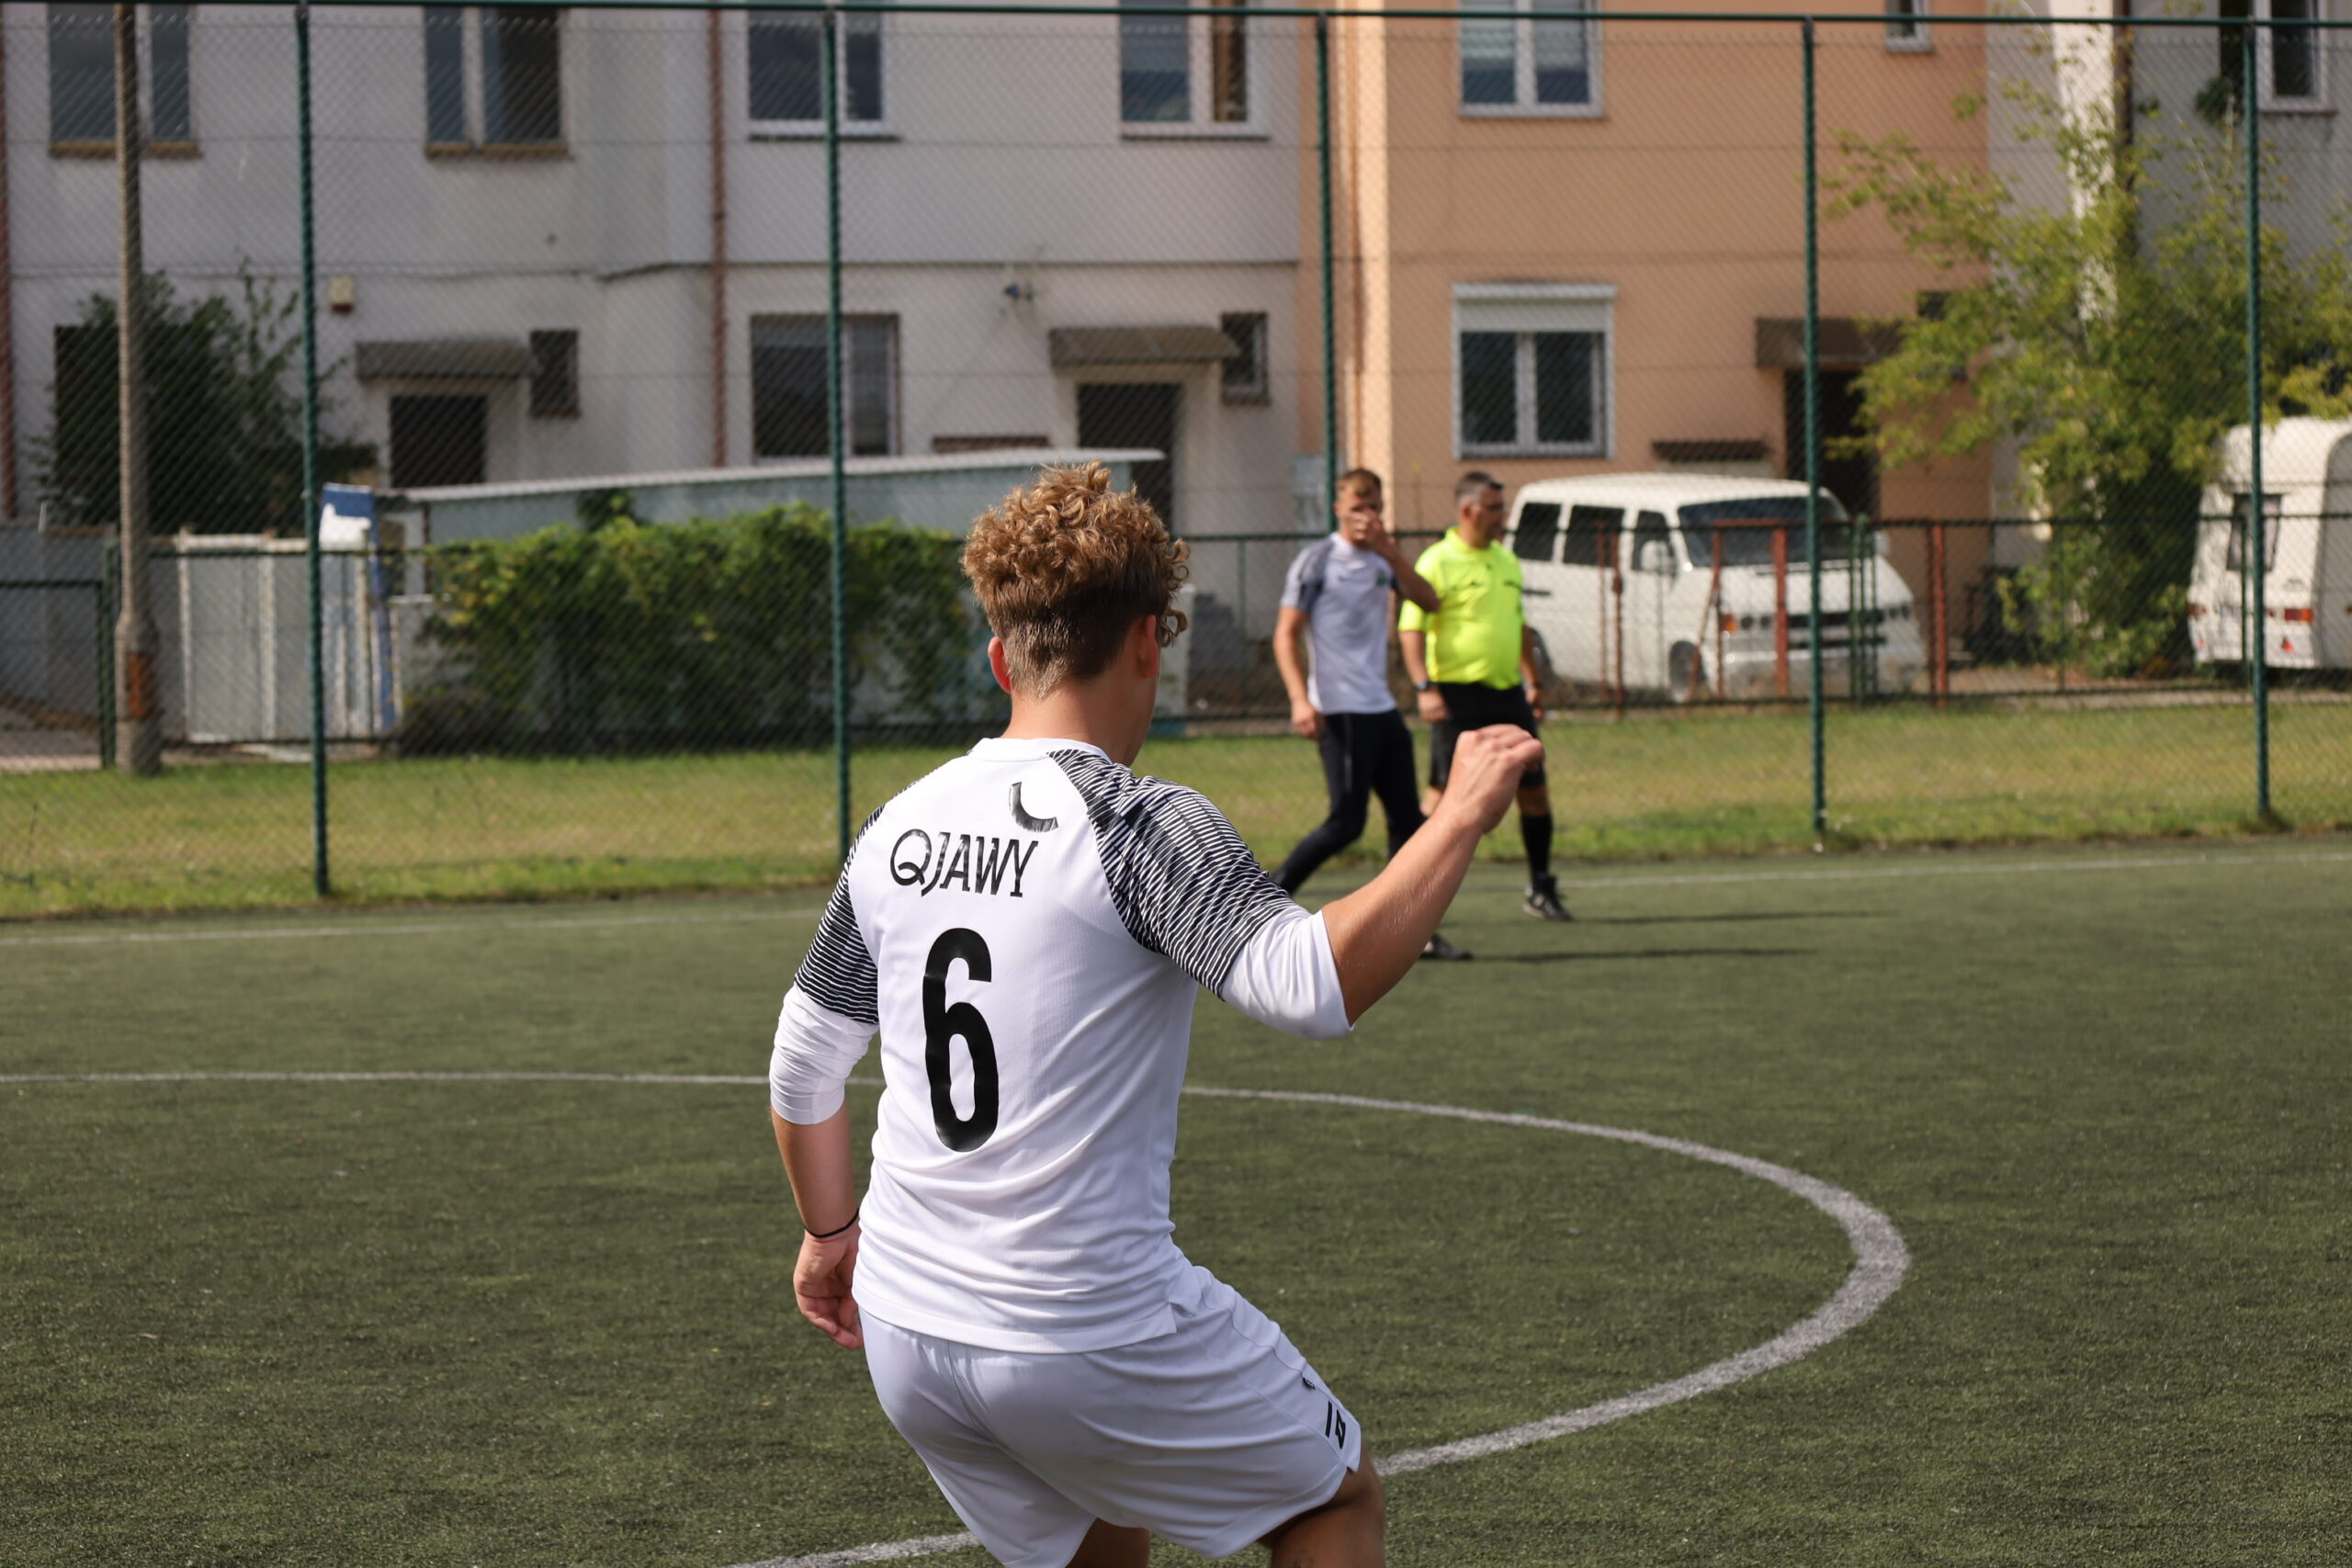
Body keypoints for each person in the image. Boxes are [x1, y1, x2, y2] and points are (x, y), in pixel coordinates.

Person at [768, 463, 1542, 1568]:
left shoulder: (901, 819)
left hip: (907, 1329)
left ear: (1001, 659)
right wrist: (1457, 814)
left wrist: (829, 1236)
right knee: (1332, 1500)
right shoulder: (1135, 821)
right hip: (1080, 1329)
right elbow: (1309, 985)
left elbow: (802, 1066)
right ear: (1148, 643)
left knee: (1101, 1536)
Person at [1270, 467, 1470, 962]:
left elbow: (1428, 601)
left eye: (1375, 506)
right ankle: (1262, 903)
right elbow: (1285, 634)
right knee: (1347, 823)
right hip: (1340, 711)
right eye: (1358, 507)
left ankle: (1412, 932)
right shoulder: (1317, 560)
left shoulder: (1385, 558)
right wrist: (1300, 699)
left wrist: (1391, 553)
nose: (1367, 516)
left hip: (1381, 708)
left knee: (1409, 822)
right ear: (1338, 509)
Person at [1397, 471, 1572, 922]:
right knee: (1439, 798)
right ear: (1467, 511)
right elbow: (1411, 630)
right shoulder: (1437, 561)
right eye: (1494, 508)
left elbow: (1518, 625)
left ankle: (1541, 888)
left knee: (1535, 791)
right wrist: (1424, 688)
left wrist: (1533, 683)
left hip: (1508, 695)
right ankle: (1407, 900)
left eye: (1502, 506)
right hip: (1456, 697)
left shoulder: (1506, 560)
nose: (1502, 515)